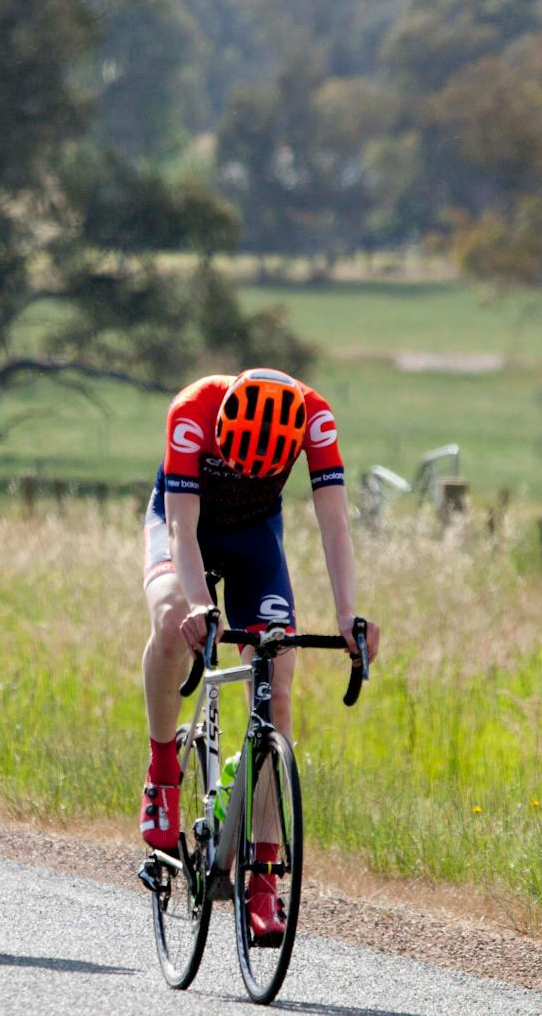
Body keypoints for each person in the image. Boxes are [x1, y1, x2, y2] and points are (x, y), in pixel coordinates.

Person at [138, 368, 380, 945]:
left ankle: (264, 878)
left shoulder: (315, 417)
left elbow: (335, 524)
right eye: (237, 461)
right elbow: (180, 529)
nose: (247, 475)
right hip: (184, 527)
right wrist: (199, 603)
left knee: (278, 680)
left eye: (262, 471)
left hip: (253, 542)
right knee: (174, 619)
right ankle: (163, 768)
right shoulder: (192, 409)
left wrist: (349, 615)